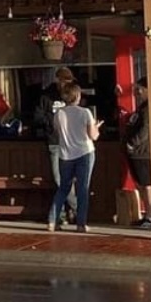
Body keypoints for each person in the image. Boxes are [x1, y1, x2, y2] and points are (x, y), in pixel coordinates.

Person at [47, 80, 103, 232]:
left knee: (63, 188)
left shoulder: (59, 114)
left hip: (65, 155)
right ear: (77, 96)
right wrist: (97, 128)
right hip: (84, 153)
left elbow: (57, 131)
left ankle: (52, 220)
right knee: (82, 188)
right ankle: (81, 223)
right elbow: (93, 136)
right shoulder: (85, 113)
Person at [35, 66, 78, 226]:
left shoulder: (73, 95)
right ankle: (78, 209)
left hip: (72, 143)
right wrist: (52, 121)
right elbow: (38, 117)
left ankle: (63, 214)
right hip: (55, 143)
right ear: (57, 80)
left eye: (69, 81)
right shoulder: (47, 96)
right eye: (63, 80)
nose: (66, 84)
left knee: (71, 179)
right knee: (59, 179)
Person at [123, 77, 151, 228]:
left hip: (142, 152)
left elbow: (145, 130)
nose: (137, 92)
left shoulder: (148, 108)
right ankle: (146, 213)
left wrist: (132, 143)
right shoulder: (141, 107)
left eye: (139, 89)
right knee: (141, 184)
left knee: (147, 184)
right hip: (136, 153)